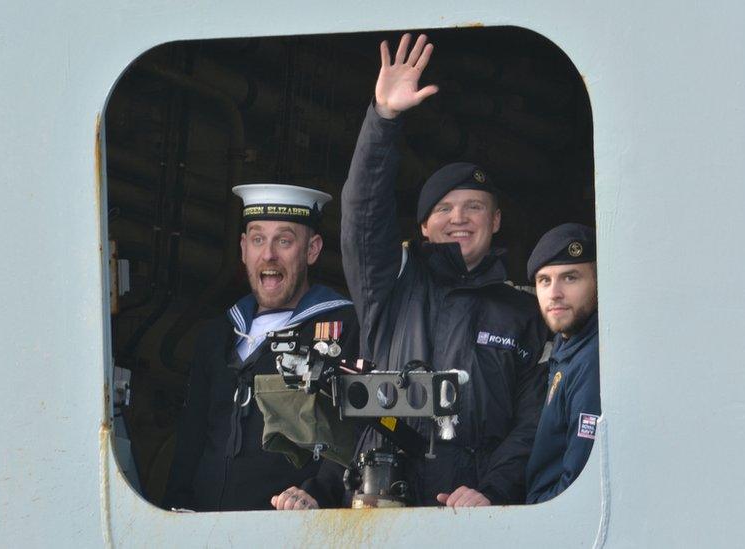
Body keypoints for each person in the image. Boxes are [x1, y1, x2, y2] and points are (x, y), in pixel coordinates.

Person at [273, 33, 546, 510]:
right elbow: (361, 216)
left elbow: (532, 424)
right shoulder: (392, 287)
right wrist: (384, 119)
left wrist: (493, 493)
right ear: (423, 226)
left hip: (474, 516)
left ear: (496, 221)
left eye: (473, 207)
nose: (458, 218)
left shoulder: (526, 312)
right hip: (381, 510)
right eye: (444, 209)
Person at [163, 183, 359, 511]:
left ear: (312, 250)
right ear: (243, 248)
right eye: (257, 239)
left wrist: (320, 493)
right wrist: (174, 506)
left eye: (284, 240)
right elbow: (191, 436)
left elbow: (357, 430)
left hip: (290, 528)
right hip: (203, 527)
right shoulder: (218, 333)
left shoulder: (344, 327)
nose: (268, 254)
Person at [524, 223, 601, 504]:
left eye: (570, 278)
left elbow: (579, 487)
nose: (554, 292)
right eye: (545, 280)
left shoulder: (594, 359)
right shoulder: (566, 345)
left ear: (598, 282)